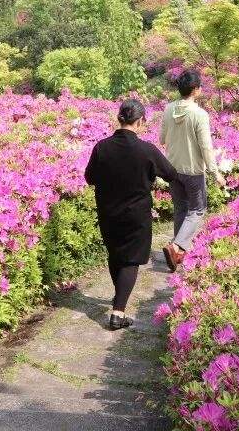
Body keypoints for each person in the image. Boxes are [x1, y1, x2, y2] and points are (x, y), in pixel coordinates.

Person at [84, 99, 179, 330]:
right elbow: (171, 174)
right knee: (131, 260)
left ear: (120, 119)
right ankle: (118, 313)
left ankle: (119, 300)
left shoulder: (102, 147)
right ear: (141, 121)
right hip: (136, 215)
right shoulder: (146, 149)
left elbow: (90, 178)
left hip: (108, 212)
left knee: (116, 255)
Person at [159, 70, 225, 272]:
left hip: (173, 169)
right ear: (195, 90)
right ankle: (177, 246)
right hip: (193, 171)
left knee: (181, 209)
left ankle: (176, 255)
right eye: (200, 86)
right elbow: (205, 147)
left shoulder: (169, 109)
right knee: (197, 210)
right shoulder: (199, 114)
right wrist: (216, 173)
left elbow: (162, 139)